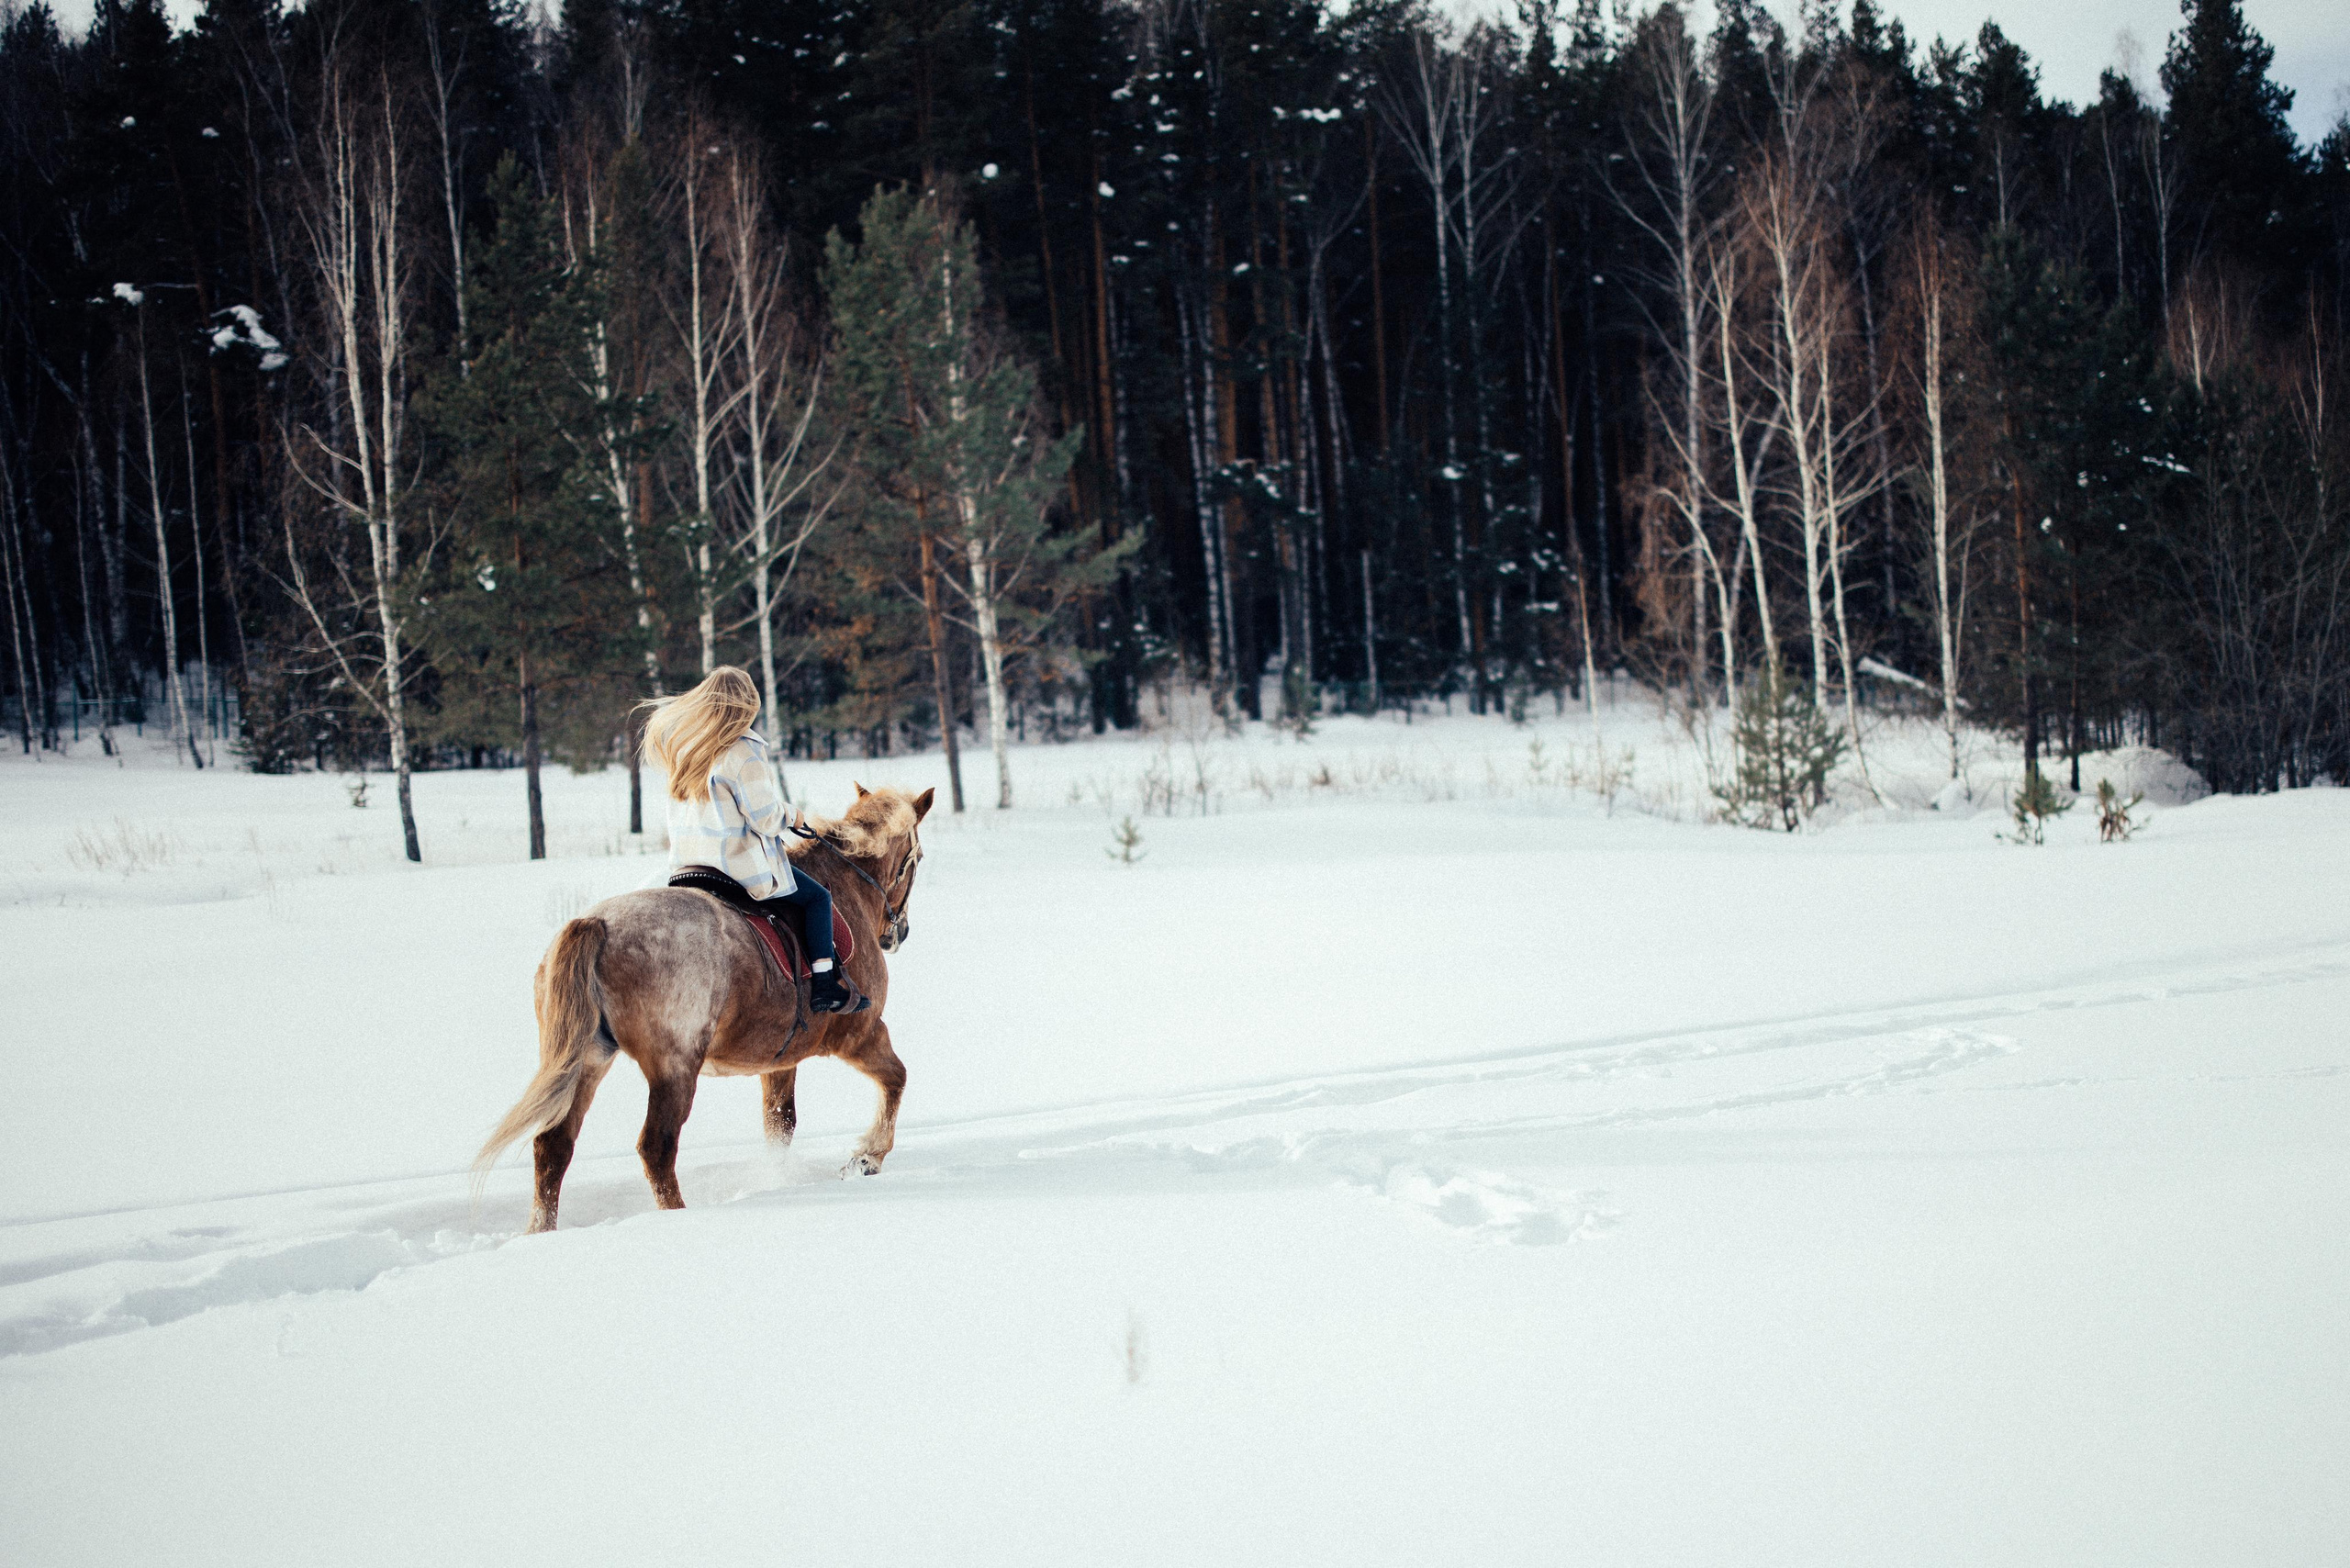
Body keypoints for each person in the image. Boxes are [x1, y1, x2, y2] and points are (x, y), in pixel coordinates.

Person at [643, 667, 868, 1014]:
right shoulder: (743, 749)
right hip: (734, 871)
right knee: (817, 898)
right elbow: (764, 817)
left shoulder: (688, 749)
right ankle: (825, 984)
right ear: (748, 705)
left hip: (686, 869)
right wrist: (794, 817)